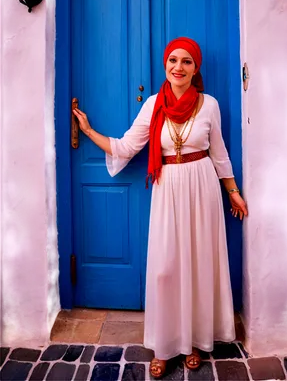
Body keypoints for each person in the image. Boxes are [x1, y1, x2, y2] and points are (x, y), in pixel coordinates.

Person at [73, 37, 248, 378]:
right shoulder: (154, 104)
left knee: (199, 265)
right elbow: (126, 146)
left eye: (186, 62)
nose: (178, 67)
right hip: (167, 189)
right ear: (164, 65)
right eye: (172, 60)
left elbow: (219, 152)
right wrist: (89, 131)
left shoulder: (208, 105)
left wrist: (233, 191)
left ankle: (195, 342)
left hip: (202, 189)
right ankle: (166, 346)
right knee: (165, 269)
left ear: (196, 69)